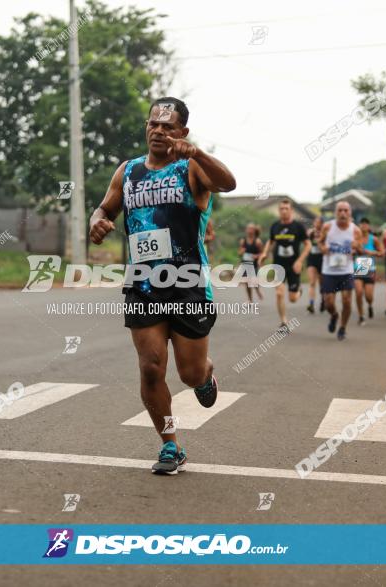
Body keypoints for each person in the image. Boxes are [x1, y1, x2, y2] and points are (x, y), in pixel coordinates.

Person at [88, 97, 236, 475]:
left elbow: (228, 183)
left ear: (181, 133)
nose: (158, 131)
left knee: (188, 374)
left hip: (187, 284)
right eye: (153, 124)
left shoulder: (192, 169)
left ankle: (204, 375)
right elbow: (106, 207)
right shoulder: (129, 170)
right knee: (151, 368)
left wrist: (198, 153)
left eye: (168, 127)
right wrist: (97, 220)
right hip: (143, 284)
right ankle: (171, 444)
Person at [260, 199, 310, 331]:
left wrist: (300, 261)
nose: (284, 211)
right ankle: (283, 322)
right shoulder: (275, 226)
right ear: (279, 211)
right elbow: (270, 241)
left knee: (293, 298)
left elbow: (308, 245)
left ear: (291, 210)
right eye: (281, 209)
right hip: (278, 265)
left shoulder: (298, 227)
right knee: (279, 293)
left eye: (286, 208)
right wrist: (265, 253)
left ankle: (298, 291)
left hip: (294, 265)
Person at [319, 201, 363, 341]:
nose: (343, 213)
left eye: (345, 210)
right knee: (328, 303)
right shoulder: (327, 227)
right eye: (340, 210)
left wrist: (357, 247)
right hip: (329, 270)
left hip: (346, 270)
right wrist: (322, 248)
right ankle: (334, 315)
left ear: (350, 213)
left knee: (347, 300)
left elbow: (361, 251)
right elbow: (319, 242)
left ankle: (343, 327)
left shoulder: (356, 230)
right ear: (335, 212)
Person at [354, 217, 384, 325]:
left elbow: (382, 252)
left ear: (369, 226)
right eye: (361, 224)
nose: (363, 226)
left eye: (366, 224)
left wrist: (372, 252)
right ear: (359, 226)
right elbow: (348, 250)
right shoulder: (355, 239)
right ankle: (361, 315)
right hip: (357, 269)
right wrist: (354, 250)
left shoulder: (374, 239)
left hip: (369, 269)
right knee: (358, 292)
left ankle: (370, 305)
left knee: (368, 296)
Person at [238, 223, 264, 302]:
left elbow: (262, 254)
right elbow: (239, 253)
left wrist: (256, 256)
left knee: (253, 281)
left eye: (251, 229)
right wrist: (241, 252)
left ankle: (258, 291)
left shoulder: (258, 241)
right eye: (248, 228)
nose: (249, 230)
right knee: (247, 282)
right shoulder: (243, 241)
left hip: (254, 264)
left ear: (254, 230)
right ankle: (250, 300)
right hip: (245, 264)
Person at [306, 216, 324, 314]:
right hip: (312, 259)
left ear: (321, 224)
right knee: (312, 282)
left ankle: (323, 300)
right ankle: (311, 304)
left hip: (322, 259)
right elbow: (306, 237)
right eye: (315, 222)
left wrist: (321, 236)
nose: (317, 224)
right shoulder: (310, 232)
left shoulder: (324, 233)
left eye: (319, 222)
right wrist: (311, 234)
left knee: (322, 284)